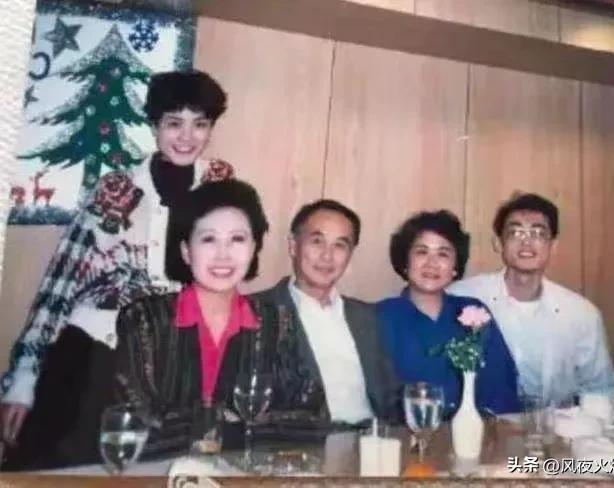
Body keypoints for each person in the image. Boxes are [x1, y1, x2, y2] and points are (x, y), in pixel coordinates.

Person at [0, 70, 232, 469]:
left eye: (200, 124)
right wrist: (22, 381)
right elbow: (60, 284)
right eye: (173, 123)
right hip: (95, 350)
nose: (186, 137)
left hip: (173, 357)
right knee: (57, 467)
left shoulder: (220, 187)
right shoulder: (117, 189)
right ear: (154, 126)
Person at [113, 179, 271, 458]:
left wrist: (198, 425)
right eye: (208, 239)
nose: (223, 254)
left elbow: (308, 418)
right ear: (186, 251)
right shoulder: (145, 320)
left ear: (254, 247)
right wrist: (233, 425)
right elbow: (136, 424)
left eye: (237, 239)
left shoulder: (276, 322)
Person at [448, 192, 614, 407]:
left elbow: (599, 390)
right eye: (515, 232)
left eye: (538, 233)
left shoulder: (582, 314)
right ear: (498, 243)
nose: (526, 241)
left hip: (555, 424)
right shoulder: (463, 297)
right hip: (483, 422)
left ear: (553, 246)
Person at [252, 199, 400, 428]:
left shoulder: (368, 317)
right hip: (301, 444)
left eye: (340, 245)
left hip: (373, 441)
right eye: (317, 241)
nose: (327, 256)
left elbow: (391, 399)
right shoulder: (258, 312)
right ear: (293, 246)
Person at [377, 210, 519, 416]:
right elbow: (379, 399)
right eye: (422, 252)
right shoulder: (380, 317)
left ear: (455, 267)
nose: (432, 263)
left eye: (443, 254)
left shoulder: (473, 313)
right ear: (405, 262)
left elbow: (502, 386)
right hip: (409, 433)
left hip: (477, 431)